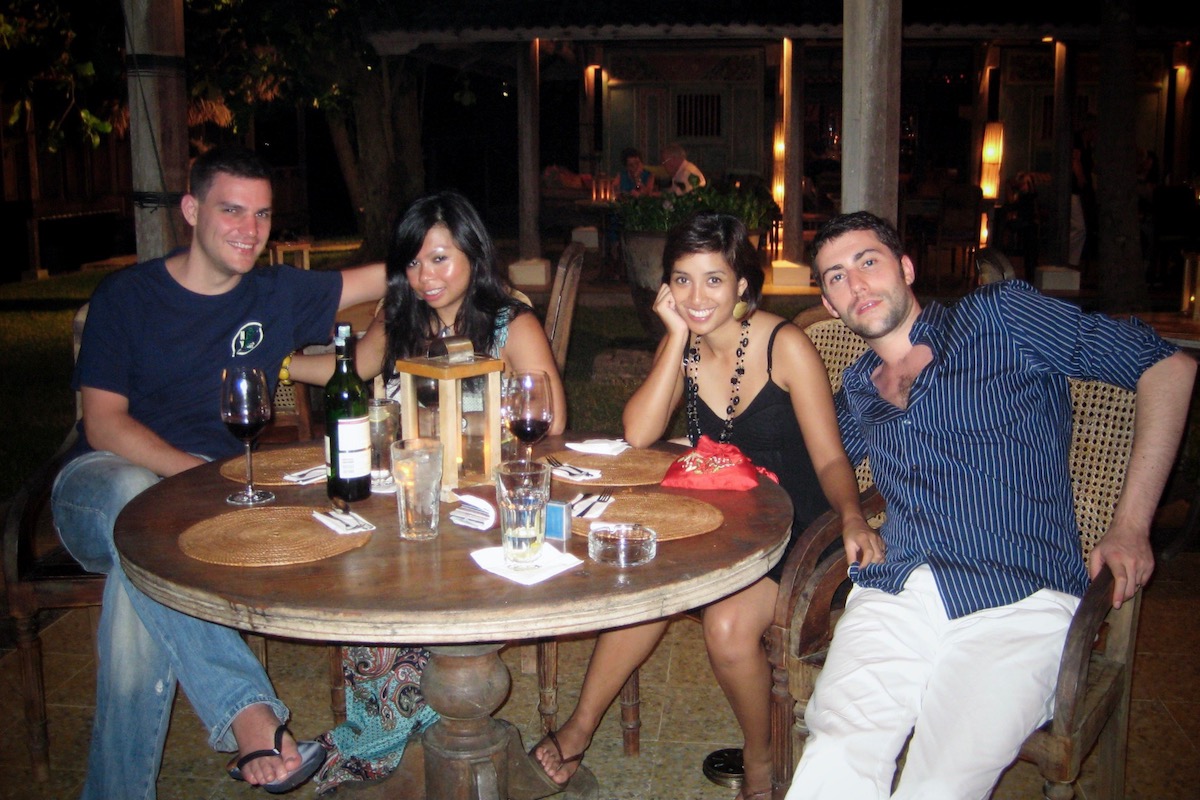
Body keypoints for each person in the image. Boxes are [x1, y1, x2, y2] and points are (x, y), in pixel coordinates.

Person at [788, 211, 1196, 799]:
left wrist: (1131, 525)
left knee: (939, 783)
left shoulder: (1000, 318)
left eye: (867, 261)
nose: (856, 284)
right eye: (836, 277)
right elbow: (809, 467)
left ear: (905, 268)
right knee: (836, 752)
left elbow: (1167, 367)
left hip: (1019, 599)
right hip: (896, 591)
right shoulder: (856, 389)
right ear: (829, 305)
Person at [50, 144, 387, 799]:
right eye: (231, 211)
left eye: (262, 215)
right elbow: (104, 424)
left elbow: (388, 276)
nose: (249, 230)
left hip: (195, 506)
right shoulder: (127, 296)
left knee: (140, 577)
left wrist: (448, 258)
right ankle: (249, 711)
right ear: (191, 210)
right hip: (99, 486)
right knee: (134, 502)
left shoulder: (276, 292)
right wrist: (195, 478)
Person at [531, 210, 877, 800]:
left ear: (741, 284)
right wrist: (673, 337)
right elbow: (640, 432)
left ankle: (761, 756)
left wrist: (851, 516)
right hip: (724, 523)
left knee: (726, 627)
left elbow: (829, 460)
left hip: (797, 533)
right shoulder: (687, 348)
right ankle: (579, 729)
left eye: (713, 279)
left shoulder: (784, 346)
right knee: (644, 582)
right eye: (683, 280)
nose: (697, 297)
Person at [287, 189, 567, 793]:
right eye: (413, 262)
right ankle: (401, 727)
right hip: (407, 498)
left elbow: (551, 418)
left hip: (479, 506)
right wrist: (278, 366)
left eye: (440, 259)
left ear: (472, 254)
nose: (425, 277)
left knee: (415, 581)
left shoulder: (508, 322)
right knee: (366, 567)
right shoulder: (401, 319)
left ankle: (389, 741)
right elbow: (352, 369)